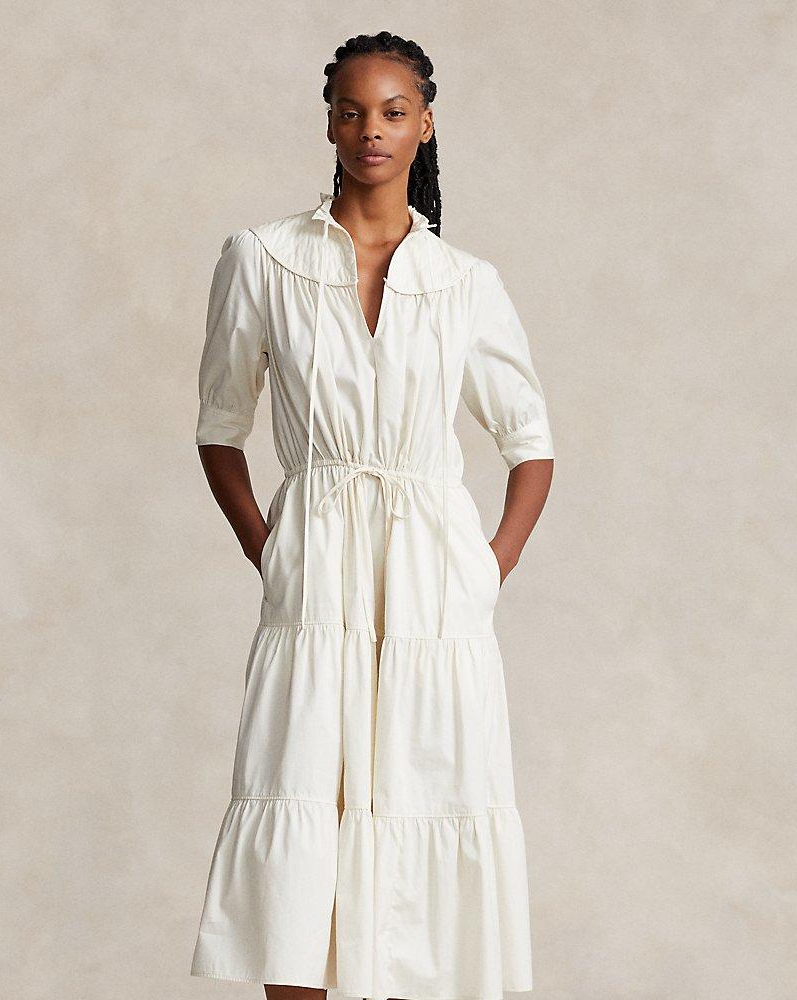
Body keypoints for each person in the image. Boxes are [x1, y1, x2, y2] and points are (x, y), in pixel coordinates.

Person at [191, 30, 555, 1000]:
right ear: (329, 125)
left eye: (393, 112)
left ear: (425, 124)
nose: (371, 131)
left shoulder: (465, 282)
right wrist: (271, 551)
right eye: (351, 112)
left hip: (435, 590)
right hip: (316, 577)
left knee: (427, 803)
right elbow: (220, 429)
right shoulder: (263, 258)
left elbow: (530, 441)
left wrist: (488, 567)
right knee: (303, 809)